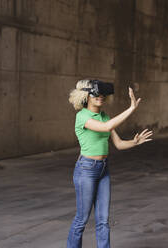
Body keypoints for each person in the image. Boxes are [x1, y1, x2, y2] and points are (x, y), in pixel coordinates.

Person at [67, 79, 153, 248]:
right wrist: (131, 108)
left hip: (103, 169)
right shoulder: (82, 116)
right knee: (81, 219)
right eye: (96, 94)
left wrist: (134, 142)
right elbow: (106, 128)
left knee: (103, 220)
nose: (101, 97)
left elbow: (119, 144)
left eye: (103, 95)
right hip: (86, 169)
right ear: (86, 96)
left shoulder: (104, 116)